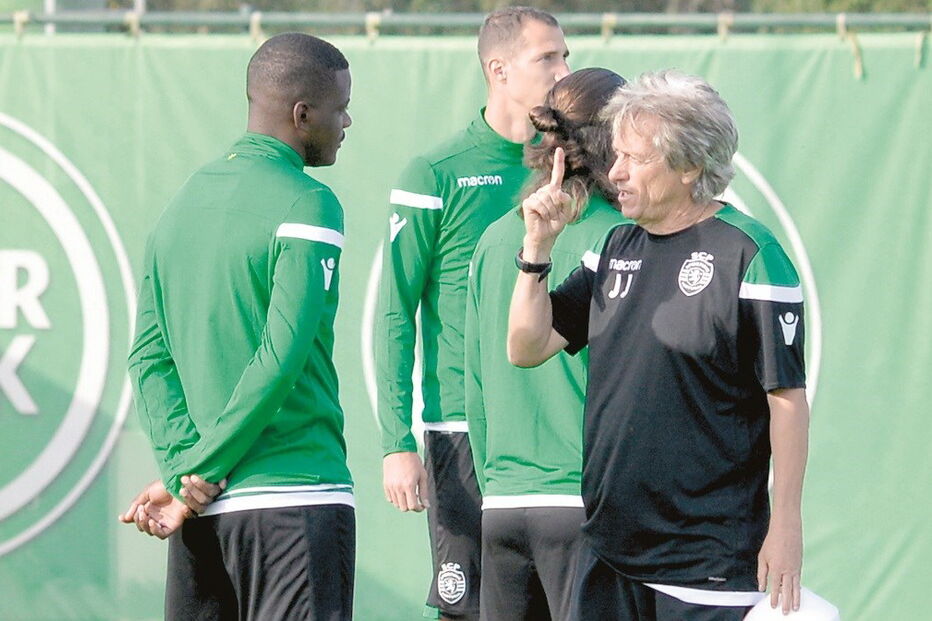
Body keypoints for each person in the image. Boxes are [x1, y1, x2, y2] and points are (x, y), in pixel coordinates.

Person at [508, 70, 810, 620]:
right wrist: (537, 247)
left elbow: (786, 400)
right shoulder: (615, 245)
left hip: (707, 558)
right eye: (615, 155)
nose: (615, 172)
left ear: (690, 164)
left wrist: (786, 525)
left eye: (635, 159)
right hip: (610, 549)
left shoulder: (751, 256)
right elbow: (527, 346)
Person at [122, 32, 355, 620]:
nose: (348, 120)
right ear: (302, 114)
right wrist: (197, 471)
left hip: (202, 512)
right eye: (340, 106)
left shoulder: (178, 207)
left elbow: (147, 358)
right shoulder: (310, 202)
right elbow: (281, 357)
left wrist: (185, 473)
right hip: (295, 495)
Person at [376, 7, 569, 619]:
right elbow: (395, 313)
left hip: (552, 435)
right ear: (499, 69)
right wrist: (397, 442)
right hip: (459, 428)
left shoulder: (574, 165)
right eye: (549, 58)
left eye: (566, 56)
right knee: (468, 609)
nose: (565, 70)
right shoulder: (436, 173)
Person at [464, 67, 626, 621]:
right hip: (585, 506)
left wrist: (496, 489)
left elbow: (476, 388)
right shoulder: (622, 240)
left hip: (503, 507)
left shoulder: (492, 239)